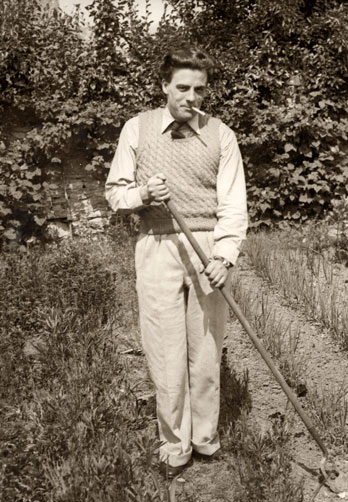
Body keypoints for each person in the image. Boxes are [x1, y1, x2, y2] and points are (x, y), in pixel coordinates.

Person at [105, 47, 248, 478]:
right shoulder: (137, 128)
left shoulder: (221, 134)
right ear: (164, 86)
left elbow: (234, 204)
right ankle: (175, 444)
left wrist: (225, 256)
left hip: (207, 248)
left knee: (206, 349)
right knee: (165, 350)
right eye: (182, 87)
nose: (191, 97)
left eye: (199, 90)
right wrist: (143, 196)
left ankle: (205, 438)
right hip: (156, 246)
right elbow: (115, 193)